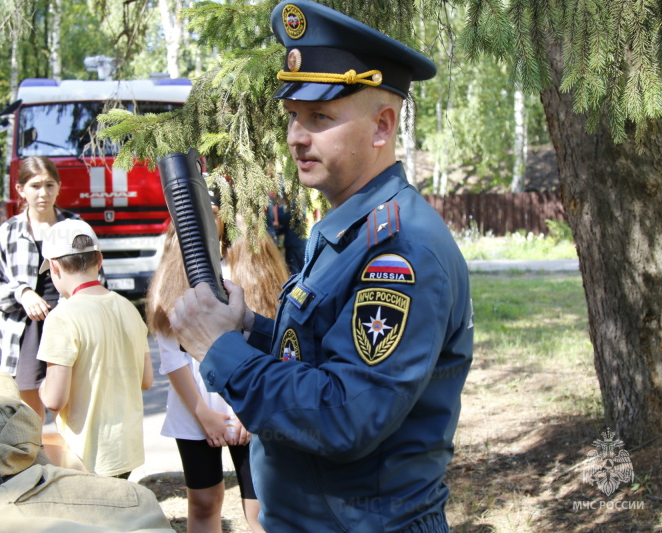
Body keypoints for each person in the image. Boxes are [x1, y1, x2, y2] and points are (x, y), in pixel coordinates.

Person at [167, 2, 475, 532]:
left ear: (382, 126)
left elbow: (346, 415)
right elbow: (322, 357)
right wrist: (249, 329)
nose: (295, 137)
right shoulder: (349, 230)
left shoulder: (400, 251)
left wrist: (221, 351)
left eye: (320, 117)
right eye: (293, 116)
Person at [146, 196, 288, 533]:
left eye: (210, 213)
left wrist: (248, 410)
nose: (201, 221)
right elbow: (172, 357)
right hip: (194, 410)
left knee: (261, 508)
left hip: (250, 408)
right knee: (205, 501)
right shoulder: (171, 273)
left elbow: (269, 343)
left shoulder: (253, 268)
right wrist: (203, 414)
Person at [0, 156, 100, 421]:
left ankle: (72, 458)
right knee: (29, 409)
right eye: (35, 186)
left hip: (70, 321)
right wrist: (22, 293)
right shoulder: (9, 231)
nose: (43, 193)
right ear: (21, 190)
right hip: (26, 327)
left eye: (49, 185)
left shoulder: (74, 226)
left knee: (73, 400)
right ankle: (35, 453)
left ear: (59, 187)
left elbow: (96, 275)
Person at [36, 219, 154, 478]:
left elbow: (55, 399)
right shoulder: (128, 308)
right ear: (99, 260)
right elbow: (146, 380)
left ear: (54, 266)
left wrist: (42, 387)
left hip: (84, 454)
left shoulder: (61, 317)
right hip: (125, 450)